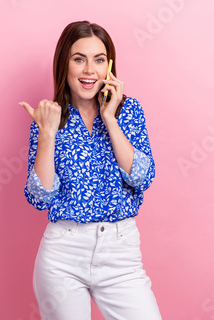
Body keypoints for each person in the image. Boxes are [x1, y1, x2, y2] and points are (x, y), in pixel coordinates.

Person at [19, 20, 162, 320]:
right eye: (79, 59)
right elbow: (40, 197)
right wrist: (47, 133)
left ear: (109, 66)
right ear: (64, 64)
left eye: (98, 60)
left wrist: (110, 118)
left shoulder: (128, 110)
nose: (89, 71)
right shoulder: (49, 116)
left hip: (120, 253)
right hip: (63, 255)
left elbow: (141, 177)